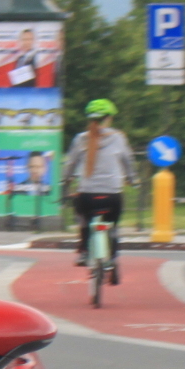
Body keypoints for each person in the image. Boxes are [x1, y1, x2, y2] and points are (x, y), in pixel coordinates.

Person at [63, 97, 136, 269]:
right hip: (113, 196)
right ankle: (112, 258)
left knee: (84, 219)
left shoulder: (81, 139)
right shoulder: (119, 138)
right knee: (114, 225)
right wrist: (133, 179)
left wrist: (65, 180)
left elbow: (70, 164)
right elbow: (129, 161)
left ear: (90, 119)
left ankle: (83, 252)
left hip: (87, 196)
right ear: (109, 118)